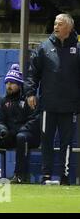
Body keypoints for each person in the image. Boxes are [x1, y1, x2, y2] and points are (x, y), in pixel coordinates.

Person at [25, 13, 79, 185]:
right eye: (55, 23)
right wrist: (30, 93)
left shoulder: (78, 49)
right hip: (48, 104)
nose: (56, 26)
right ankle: (46, 175)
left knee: (67, 143)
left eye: (60, 24)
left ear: (69, 28)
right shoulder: (44, 48)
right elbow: (33, 73)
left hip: (70, 106)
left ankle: (64, 176)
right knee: (46, 140)